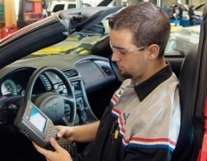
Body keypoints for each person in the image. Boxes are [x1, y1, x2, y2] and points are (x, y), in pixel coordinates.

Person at [33, 2, 181, 161]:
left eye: (122, 51)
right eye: (113, 47)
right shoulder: (133, 80)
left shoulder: (157, 118)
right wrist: (74, 133)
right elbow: (112, 127)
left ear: (151, 52)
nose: (114, 57)